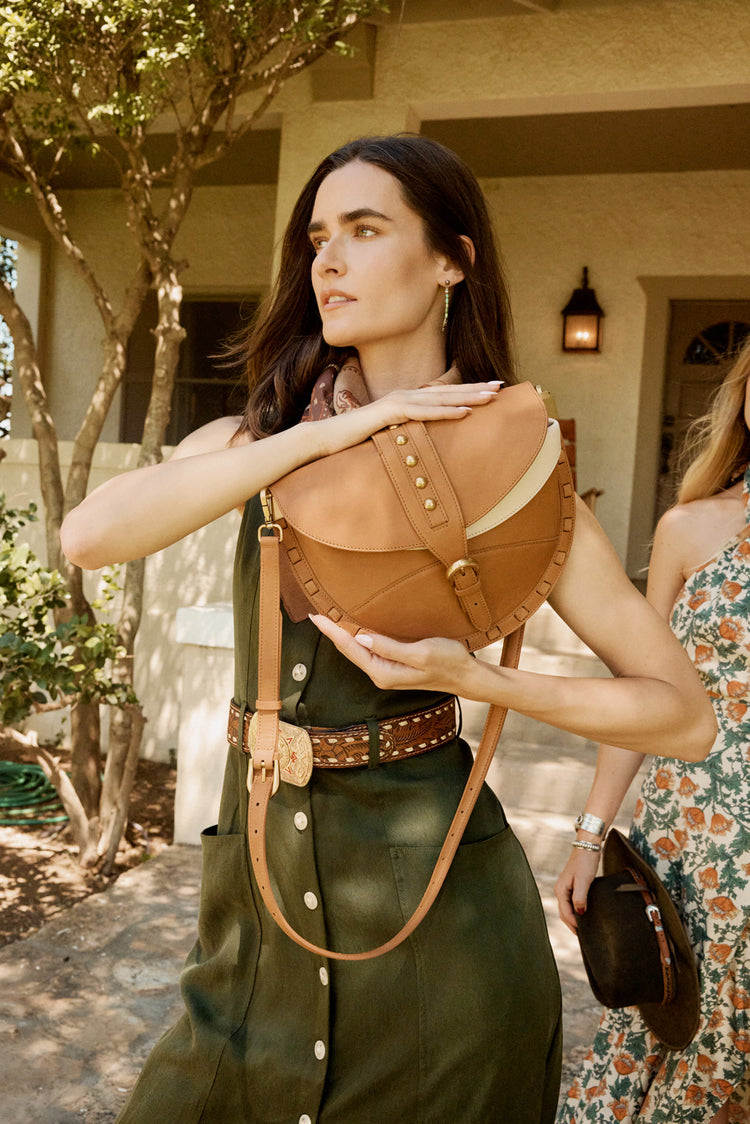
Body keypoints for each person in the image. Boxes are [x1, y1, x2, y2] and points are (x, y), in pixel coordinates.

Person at [60, 134, 714, 1124]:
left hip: (446, 944)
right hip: (254, 917)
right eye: (319, 235)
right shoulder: (263, 436)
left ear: (454, 257)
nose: (327, 259)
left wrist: (486, 681)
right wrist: (331, 433)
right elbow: (89, 536)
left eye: (365, 230)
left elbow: (682, 715)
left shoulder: (518, 469)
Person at [555, 338, 750, 1124]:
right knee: (667, 1017)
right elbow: (641, 695)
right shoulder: (689, 528)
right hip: (688, 829)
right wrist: (587, 832)